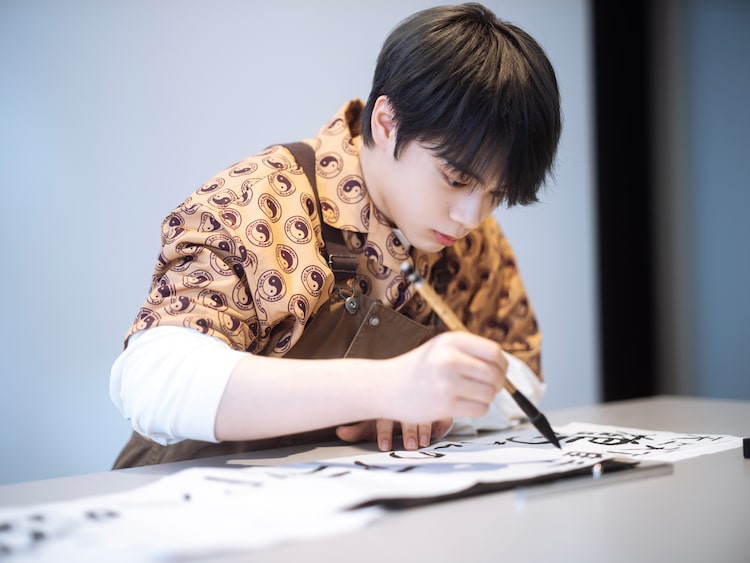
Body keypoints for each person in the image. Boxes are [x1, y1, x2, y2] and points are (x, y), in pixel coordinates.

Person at [110, 2, 561, 468]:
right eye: (455, 178)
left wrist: (439, 403)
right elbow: (150, 380)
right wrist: (386, 387)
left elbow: (521, 374)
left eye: (497, 193)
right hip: (185, 496)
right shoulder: (261, 199)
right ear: (387, 124)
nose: (471, 216)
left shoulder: (469, 238)